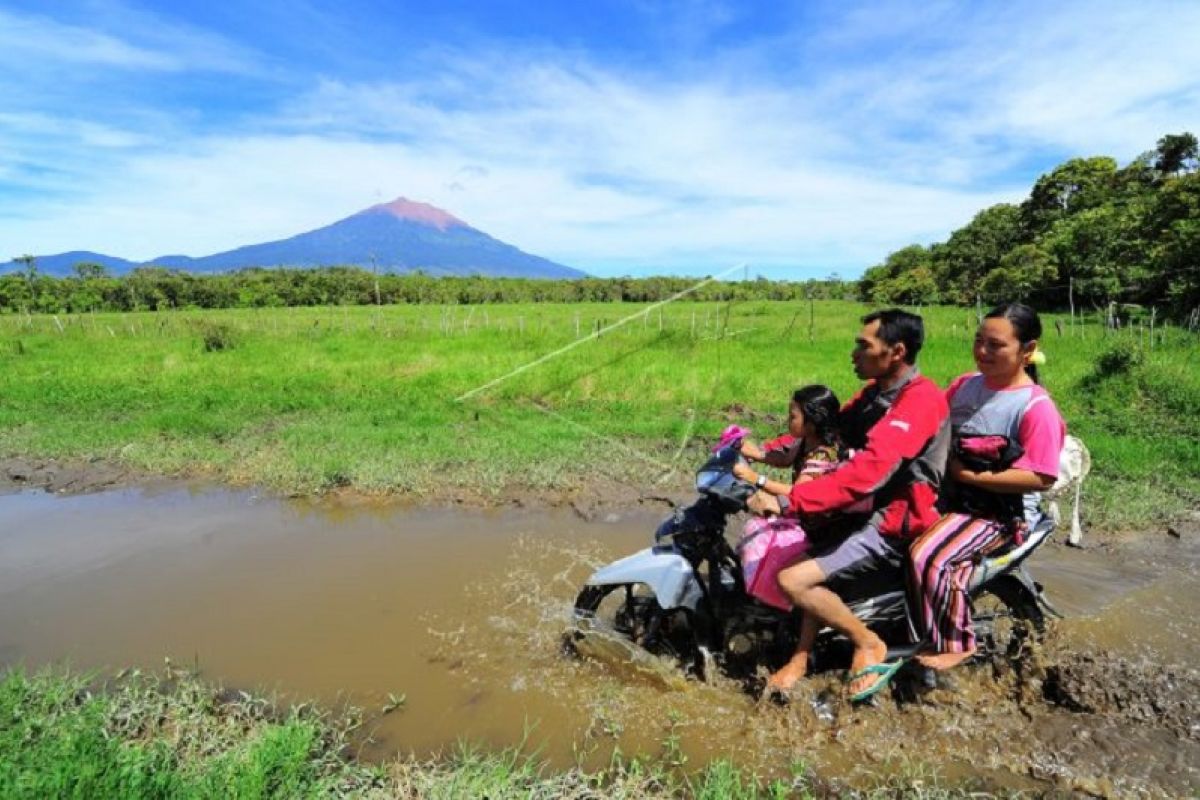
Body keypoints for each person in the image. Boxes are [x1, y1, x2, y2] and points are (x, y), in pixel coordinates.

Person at [734, 309, 950, 700]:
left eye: (863, 345)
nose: (854, 353)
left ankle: (867, 642)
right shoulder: (875, 394)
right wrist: (762, 453)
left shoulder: (919, 401)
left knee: (793, 579)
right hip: (858, 508)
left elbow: (869, 470)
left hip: (892, 518)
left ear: (896, 351)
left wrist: (791, 502)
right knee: (803, 551)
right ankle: (800, 657)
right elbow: (829, 431)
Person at [905, 303, 1066, 671]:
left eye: (995, 345)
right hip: (954, 497)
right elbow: (932, 424)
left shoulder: (1035, 407)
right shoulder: (965, 385)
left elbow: (1041, 476)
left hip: (999, 513)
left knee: (926, 556)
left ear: (1027, 350)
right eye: (979, 341)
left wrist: (971, 477)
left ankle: (956, 641)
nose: (982, 352)